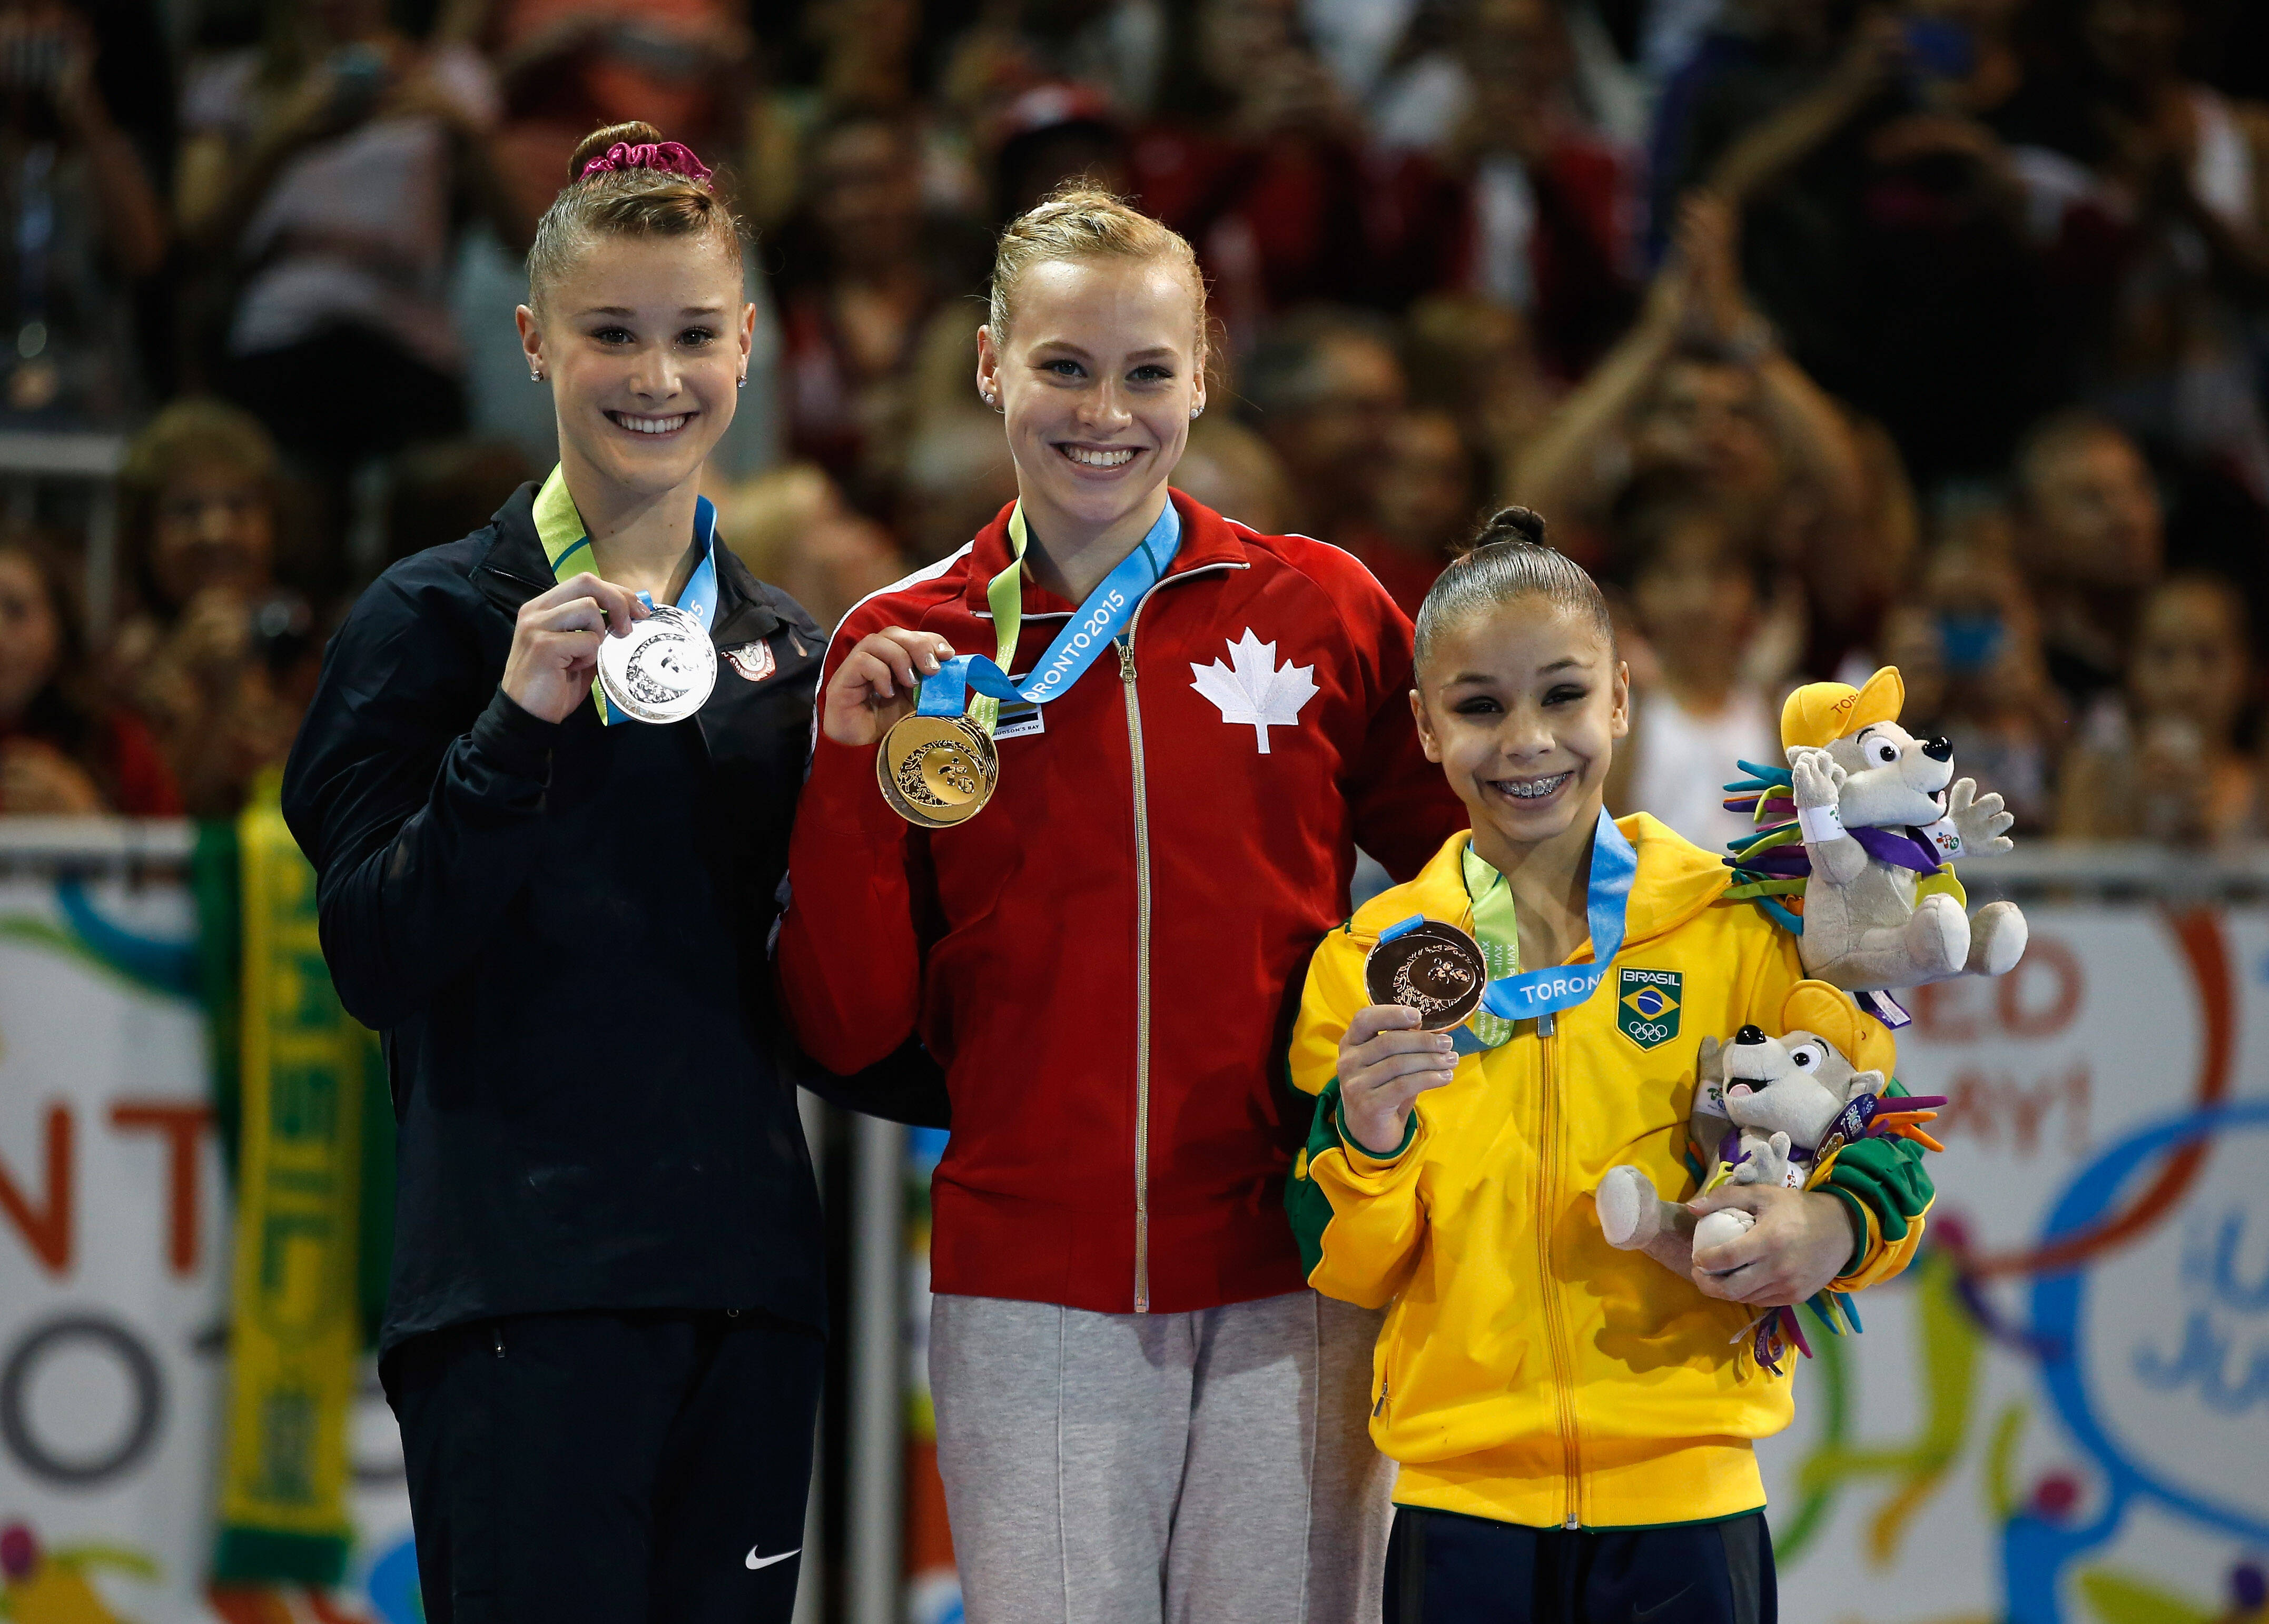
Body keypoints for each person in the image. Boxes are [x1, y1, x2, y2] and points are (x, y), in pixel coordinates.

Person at [777, 184, 1467, 1623]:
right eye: (1064, 366)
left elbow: (1476, 867)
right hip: (1032, 1287)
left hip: (1298, 1267)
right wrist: (848, 771)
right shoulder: (903, 646)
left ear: (1203, 377)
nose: (1108, 411)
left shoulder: (1321, 609)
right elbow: (847, 1026)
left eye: (1150, 370)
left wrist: (1422, 1046)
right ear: (989, 367)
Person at [282, 121, 827, 1624]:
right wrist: (510, 729)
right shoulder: (429, 626)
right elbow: (376, 955)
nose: (657, 377)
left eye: (693, 336)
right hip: (520, 1290)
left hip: (749, 1294)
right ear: (532, 341)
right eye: (611, 335)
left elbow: (839, 1003)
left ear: (748, 345)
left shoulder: (790, 651)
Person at [1286, 510, 1933, 1622]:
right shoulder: (1373, 964)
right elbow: (1343, 1263)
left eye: (1563, 695)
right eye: (1479, 707)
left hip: (1689, 1500)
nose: (1528, 741)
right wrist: (1373, 1137)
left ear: (1621, 696)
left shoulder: (1734, 924)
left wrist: (1827, 1234)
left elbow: (1888, 1155)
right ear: (1426, 729)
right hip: (1460, 1505)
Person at [108, 398, 311, 818]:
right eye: (187, 510)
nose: (215, 531)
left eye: (239, 506)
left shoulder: (320, 655)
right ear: (144, 535)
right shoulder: (117, 671)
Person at [1604, 477, 1782, 850]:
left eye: (1718, 575)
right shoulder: (1620, 715)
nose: (1697, 599)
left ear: (1751, 588)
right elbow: (1604, 841)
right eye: (1672, 574)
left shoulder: (1778, 709)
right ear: (1639, 589)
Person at [2057, 571, 2261, 846]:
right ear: (2131, 668)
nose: (2185, 684)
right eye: (2163, 655)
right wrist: (2126, 812)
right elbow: (2064, 886)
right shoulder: (2093, 779)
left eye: (2208, 655)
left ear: (2245, 667)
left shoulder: (2261, 785)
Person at [0, 531, 178, 815]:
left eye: (16, 610)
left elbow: (168, 855)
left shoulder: (114, 741)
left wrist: (85, 814)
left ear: (61, 624)